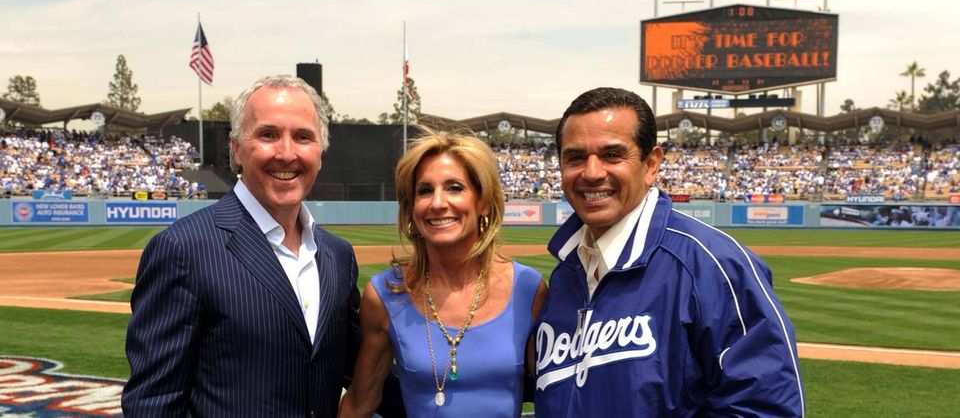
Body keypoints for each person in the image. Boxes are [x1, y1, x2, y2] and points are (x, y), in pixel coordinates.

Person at [123, 75, 395, 416]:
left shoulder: (337, 255)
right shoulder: (183, 249)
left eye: (302, 137)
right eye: (268, 135)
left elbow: (361, 367)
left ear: (320, 153)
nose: (286, 153)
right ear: (237, 149)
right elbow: (153, 405)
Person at [534, 87, 805, 416]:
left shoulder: (712, 263)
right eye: (576, 157)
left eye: (612, 155)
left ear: (651, 164)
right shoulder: (567, 272)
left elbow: (765, 407)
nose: (592, 172)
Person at [339, 128, 548, 417]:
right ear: (412, 208)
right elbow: (360, 402)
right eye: (425, 190)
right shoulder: (385, 295)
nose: (437, 203)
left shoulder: (528, 288)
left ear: (484, 202)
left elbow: (553, 396)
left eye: (455, 187)